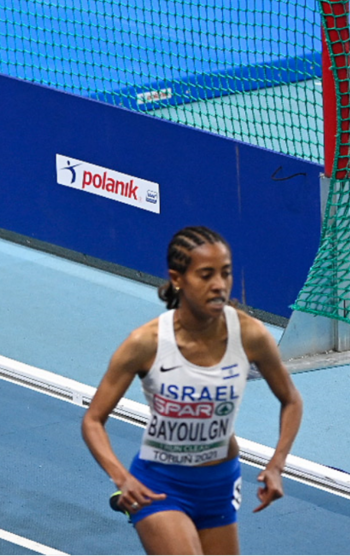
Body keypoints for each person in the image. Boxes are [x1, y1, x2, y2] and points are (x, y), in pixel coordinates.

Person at [81, 226, 303, 554]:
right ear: (177, 278)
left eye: (225, 274)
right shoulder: (146, 343)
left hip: (220, 485)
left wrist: (276, 464)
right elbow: (93, 421)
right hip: (159, 485)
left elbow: (291, 400)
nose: (219, 285)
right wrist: (121, 477)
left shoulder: (250, 336)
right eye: (205, 275)